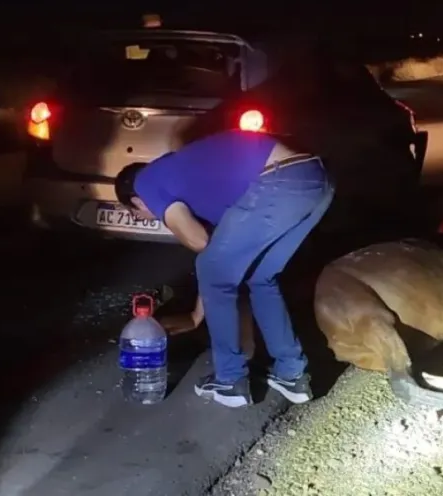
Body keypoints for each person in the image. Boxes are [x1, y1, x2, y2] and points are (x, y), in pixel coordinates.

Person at [114, 130, 335, 408]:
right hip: (316, 179)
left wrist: (196, 316)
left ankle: (230, 381)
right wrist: (196, 316)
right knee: (260, 277)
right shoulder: (191, 180)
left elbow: (200, 242)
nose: (151, 216)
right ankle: (291, 374)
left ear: (136, 202)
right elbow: (220, 259)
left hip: (279, 180)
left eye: (140, 214)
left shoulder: (148, 182)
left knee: (212, 268)